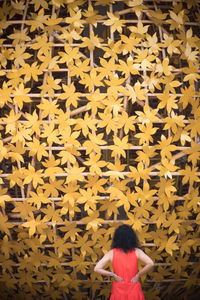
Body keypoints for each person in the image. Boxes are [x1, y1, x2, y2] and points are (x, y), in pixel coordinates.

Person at [94, 224, 154, 300]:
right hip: (133, 286)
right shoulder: (137, 251)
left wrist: (113, 275)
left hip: (118, 287)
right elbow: (150, 263)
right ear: (132, 238)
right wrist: (138, 275)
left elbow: (96, 268)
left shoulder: (111, 253)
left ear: (117, 238)